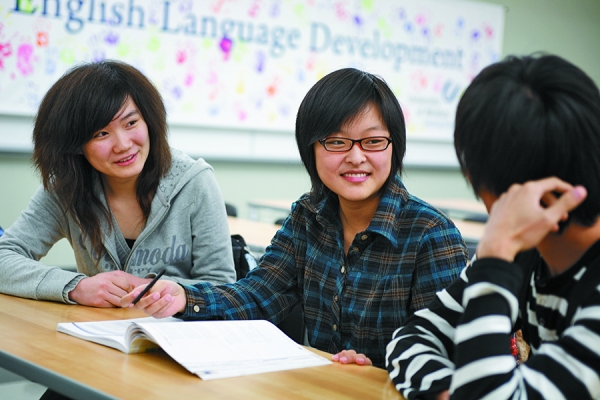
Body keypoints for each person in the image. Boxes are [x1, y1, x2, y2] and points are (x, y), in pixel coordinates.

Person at [121, 67, 468, 368]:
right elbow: (259, 294)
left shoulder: (431, 235)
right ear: (311, 149)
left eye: (374, 141)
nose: (357, 157)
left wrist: (384, 368)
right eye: (336, 142)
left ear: (395, 146)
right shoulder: (308, 216)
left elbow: (445, 353)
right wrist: (185, 297)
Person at [386, 53, 600, 399]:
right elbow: (413, 337)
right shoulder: (526, 247)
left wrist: (495, 257)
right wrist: (451, 391)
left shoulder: (506, 248)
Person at [0, 60, 236, 308]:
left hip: (176, 336)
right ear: (75, 145)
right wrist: (76, 287)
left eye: (131, 123)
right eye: (101, 134)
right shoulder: (67, 189)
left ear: (149, 121)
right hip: (96, 334)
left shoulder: (195, 182)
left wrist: (176, 293)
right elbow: (4, 257)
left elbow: (222, 286)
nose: (123, 144)